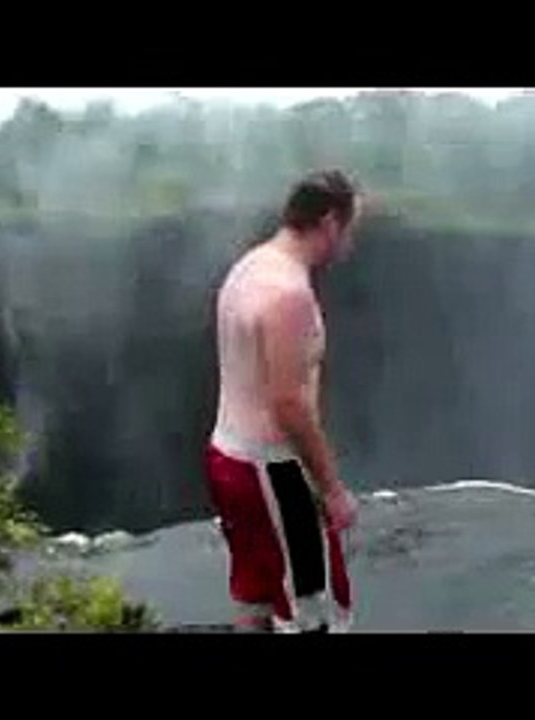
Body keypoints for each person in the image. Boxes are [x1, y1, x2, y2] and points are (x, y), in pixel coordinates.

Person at [205, 169, 363, 633]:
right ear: (330, 221)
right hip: (274, 473)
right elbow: (288, 405)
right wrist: (333, 489)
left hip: (226, 456)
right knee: (314, 615)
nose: (350, 243)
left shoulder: (250, 267)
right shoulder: (289, 296)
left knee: (255, 595)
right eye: (350, 229)